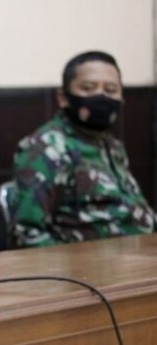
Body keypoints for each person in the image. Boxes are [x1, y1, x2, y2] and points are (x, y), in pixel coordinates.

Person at [11, 51, 155, 248]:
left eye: (111, 89)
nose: (101, 96)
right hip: (91, 265)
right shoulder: (46, 148)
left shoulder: (112, 146)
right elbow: (26, 235)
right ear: (63, 97)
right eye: (88, 88)